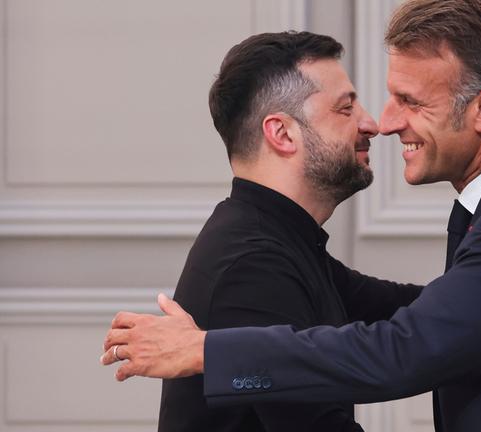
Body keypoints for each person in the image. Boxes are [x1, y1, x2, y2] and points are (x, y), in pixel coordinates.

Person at [103, 1, 481, 431]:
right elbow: (410, 332)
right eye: (351, 106)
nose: (383, 123)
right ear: (281, 133)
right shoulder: (257, 254)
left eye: (411, 101)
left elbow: (407, 341)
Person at [156, 31, 424, 431]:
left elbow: (412, 315)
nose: (372, 124)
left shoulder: (280, 241)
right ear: (282, 134)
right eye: (345, 108)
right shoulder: (252, 265)